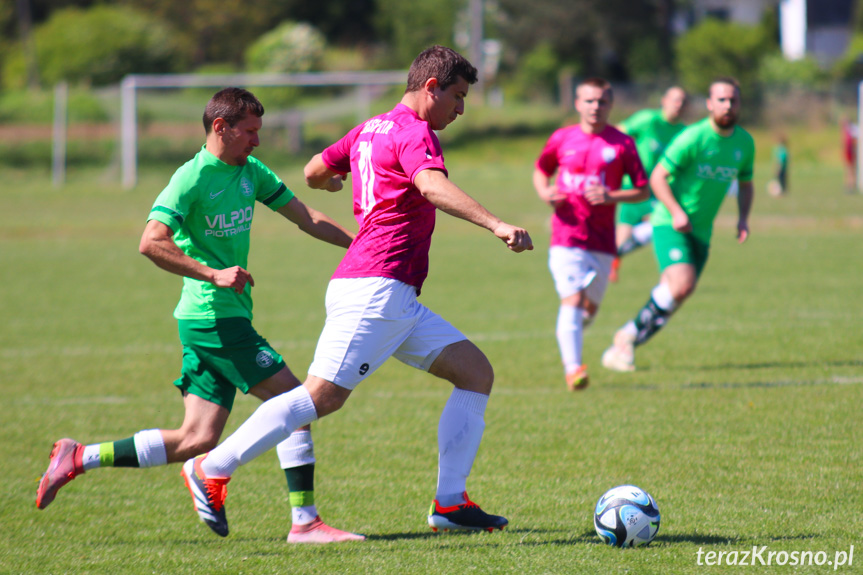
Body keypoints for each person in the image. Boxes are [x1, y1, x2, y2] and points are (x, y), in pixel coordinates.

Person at [179, 46, 533, 538]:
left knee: (475, 373)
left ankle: (449, 504)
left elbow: (313, 171)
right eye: (457, 96)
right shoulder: (415, 133)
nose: (461, 108)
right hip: (376, 288)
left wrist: (335, 180)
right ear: (431, 87)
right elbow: (430, 186)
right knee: (320, 398)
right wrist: (496, 224)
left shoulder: (371, 127)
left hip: (393, 294)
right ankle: (212, 466)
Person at [36, 87, 364, 544]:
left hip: (212, 319)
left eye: (258, 132)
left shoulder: (251, 171)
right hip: (214, 317)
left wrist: (363, 246)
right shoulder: (190, 178)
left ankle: (78, 457)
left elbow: (305, 215)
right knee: (296, 402)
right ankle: (305, 523)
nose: (257, 141)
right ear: (220, 127)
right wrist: (212, 273)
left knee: (196, 438)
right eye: (249, 132)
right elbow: (151, 241)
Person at [601, 77, 755, 372]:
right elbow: (658, 177)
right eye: (721, 100)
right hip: (670, 224)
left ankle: (626, 339)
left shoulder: (744, 143)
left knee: (677, 293)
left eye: (733, 100)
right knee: (682, 284)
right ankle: (625, 339)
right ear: (710, 104)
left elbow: (746, 183)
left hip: (702, 231)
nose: (728, 105)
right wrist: (676, 211)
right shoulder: (693, 137)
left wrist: (743, 217)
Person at [533, 77, 649, 391]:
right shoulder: (562, 138)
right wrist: (546, 192)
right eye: (589, 100)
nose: (595, 107)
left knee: (588, 310)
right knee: (572, 301)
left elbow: (642, 189)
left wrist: (611, 196)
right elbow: (541, 169)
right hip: (566, 236)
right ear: (577, 103)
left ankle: (567, 335)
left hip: (602, 241)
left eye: (601, 101)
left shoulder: (622, 144)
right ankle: (574, 370)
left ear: (610, 105)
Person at [610, 86, 689, 281]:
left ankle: (669, 274)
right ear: (664, 101)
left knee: (662, 227)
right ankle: (610, 263)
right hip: (633, 188)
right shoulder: (648, 120)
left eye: (682, 101)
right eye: (674, 100)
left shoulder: (684, 133)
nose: (678, 105)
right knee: (621, 241)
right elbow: (616, 134)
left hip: (660, 191)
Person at [767, 132, 788, 197]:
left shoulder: (781, 149)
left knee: (781, 181)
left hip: (780, 168)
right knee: (780, 180)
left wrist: (778, 168)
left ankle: (781, 192)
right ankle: (780, 192)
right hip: (781, 168)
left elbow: (780, 160)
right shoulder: (779, 149)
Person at [841, 116, 858, 194]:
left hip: (850, 153)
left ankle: (851, 186)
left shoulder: (851, 131)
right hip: (848, 153)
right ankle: (849, 185)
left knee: (851, 170)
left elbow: (853, 143)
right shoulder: (846, 132)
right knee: (849, 170)